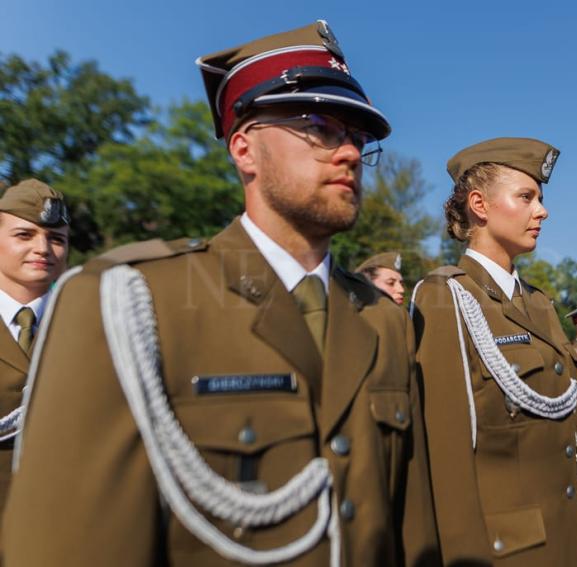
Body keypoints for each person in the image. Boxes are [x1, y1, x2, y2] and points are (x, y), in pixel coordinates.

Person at [3, 21, 438, 566]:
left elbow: (414, 534)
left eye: (356, 137)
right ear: (243, 150)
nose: (349, 152)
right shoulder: (132, 301)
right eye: (321, 127)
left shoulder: (383, 320)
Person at [411, 138, 577, 565]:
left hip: (569, 539)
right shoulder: (445, 298)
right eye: (526, 197)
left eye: (541, 199)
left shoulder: (540, 304)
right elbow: (445, 456)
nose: (542, 211)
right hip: (505, 551)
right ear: (479, 204)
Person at [0, 180, 70, 535]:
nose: (43, 248)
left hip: (64, 530)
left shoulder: (92, 325)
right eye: (24, 235)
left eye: (56, 239)